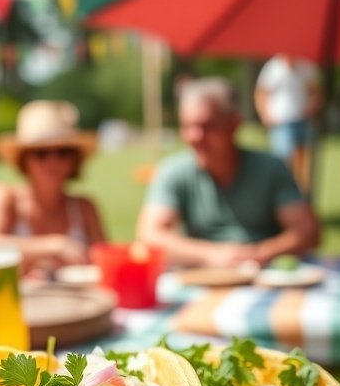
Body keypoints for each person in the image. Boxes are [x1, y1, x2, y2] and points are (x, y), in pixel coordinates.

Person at [136, 77, 319, 269]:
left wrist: (260, 254)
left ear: (234, 124)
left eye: (207, 126)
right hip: (203, 278)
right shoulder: (174, 171)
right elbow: (150, 234)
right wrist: (211, 255)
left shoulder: (270, 168)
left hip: (266, 275)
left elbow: (307, 231)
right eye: (187, 126)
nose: (194, 137)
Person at [0, 100, 106, 277]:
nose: (53, 162)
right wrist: (54, 246)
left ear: (75, 159)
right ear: (24, 159)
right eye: (41, 153)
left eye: (63, 152)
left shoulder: (85, 208)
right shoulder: (4, 196)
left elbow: (104, 262)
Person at [254, 55, 323, 193]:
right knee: (284, 158)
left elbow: (315, 91)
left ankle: (301, 193)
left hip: (302, 119)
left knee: (303, 160)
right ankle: (283, 192)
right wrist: (265, 115)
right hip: (281, 121)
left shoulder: (306, 66)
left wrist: (312, 107)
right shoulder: (273, 67)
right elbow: (261, 93)